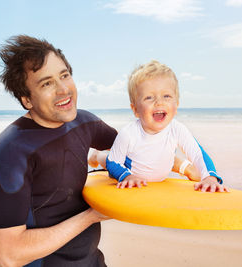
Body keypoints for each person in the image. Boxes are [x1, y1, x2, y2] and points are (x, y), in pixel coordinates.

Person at [0, 35, 118, 267]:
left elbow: (137, 150)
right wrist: (92, 216)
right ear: (27, 100)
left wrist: (195, 167)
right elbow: (10, 255)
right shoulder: (11, 151)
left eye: (64, 75)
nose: (63, 89)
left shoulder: (84, 123)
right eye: (47, 83)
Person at [89, 60, 228, 193]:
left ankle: (186, 168)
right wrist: (126, 176)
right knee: (107, 160)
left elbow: (198, 154)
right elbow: (114, 162)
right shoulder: (128, 133)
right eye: (149, 97)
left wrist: (210, 177)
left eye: (166, 96)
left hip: (159, 161)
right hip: (129, 165)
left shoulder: (177, 129)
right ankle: (97, 155)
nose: (159, 102)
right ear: (135, 109)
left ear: (177, 104)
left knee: (164, 154)